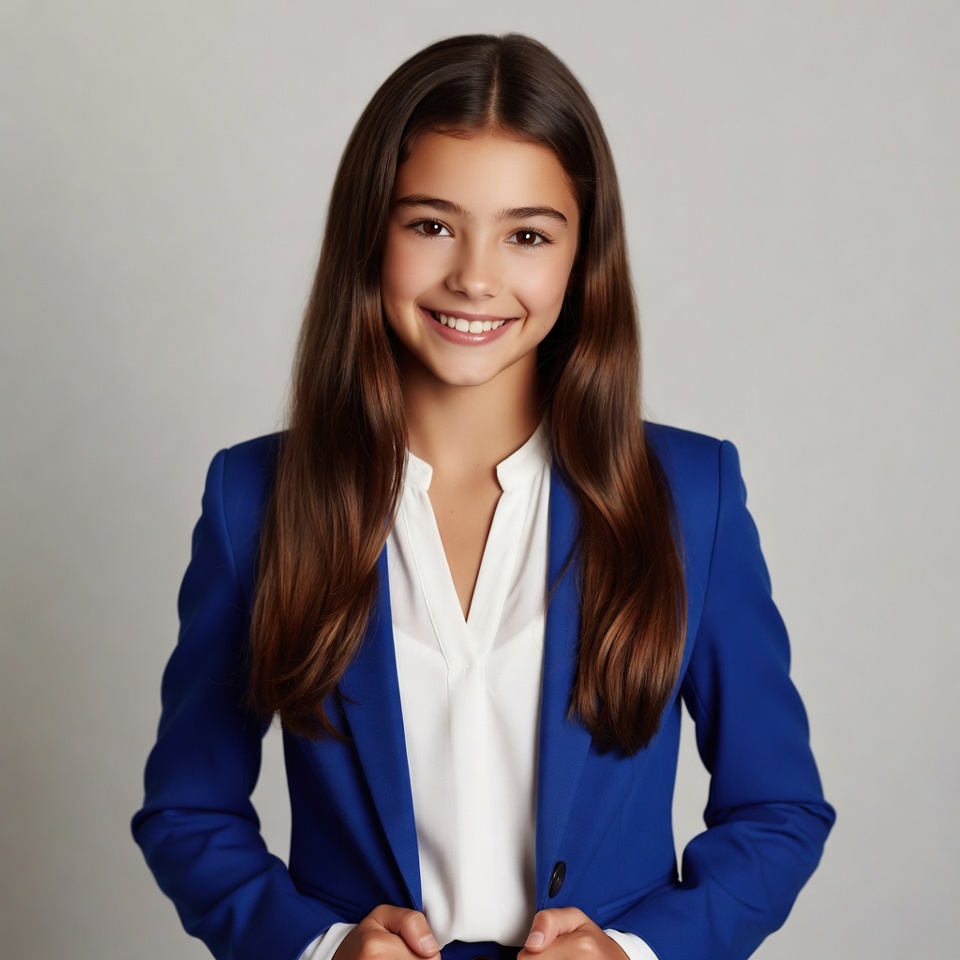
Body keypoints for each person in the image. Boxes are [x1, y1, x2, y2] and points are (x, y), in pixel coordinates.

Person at [132, 33, 835, 960]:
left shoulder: (688, 497)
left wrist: (637, 955)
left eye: (528, 235)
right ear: (369, 233)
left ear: (583, 258)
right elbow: (188, 811)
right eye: (430, 224)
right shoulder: (255, 499)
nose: (474, 274)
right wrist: (318, 946)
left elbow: (779, 808)